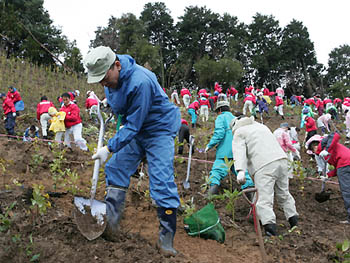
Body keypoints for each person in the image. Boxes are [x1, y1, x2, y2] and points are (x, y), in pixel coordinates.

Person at [83, 46, 181, 256]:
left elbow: (134, 126)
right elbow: (121, 102)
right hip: (136, 128)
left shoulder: (141, 81)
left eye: (104, 78)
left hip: (158, 130)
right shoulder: (112, 79)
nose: (103, 83)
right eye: (99, 80)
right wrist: (109, 105)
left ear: (116, 65)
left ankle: (166, 240)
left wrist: (109, 147)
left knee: (161, 182)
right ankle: (111, 226)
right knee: (116, 167)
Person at [231, 116, 298, 236]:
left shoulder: (239, 132)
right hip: (281, 160)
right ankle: (294, 223)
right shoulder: (261, 126)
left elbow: (239, 151)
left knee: (263, 199)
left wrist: (240, 170)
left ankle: (270, 230)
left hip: (264, 165)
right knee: (284, 193)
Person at [204, 100, 254, 195]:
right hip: (238, 150)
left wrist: (209, 145)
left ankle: (209, 197)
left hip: (224, 151)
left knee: (216, 172)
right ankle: (252, 198)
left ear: (220, 110)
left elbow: (219, 133)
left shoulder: (221, 117)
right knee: (242, 173)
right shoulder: (236, 119)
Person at [308, 132, 350, 224]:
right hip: (345, 164)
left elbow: (336, 135)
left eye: (313, 150)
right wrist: (328, 175)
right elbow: (339, 167)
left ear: (314, 147)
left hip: (345, 164)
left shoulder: (323, 144)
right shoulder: (325, 152)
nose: (314, 153)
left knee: (347, 191)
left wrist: (326, 149)